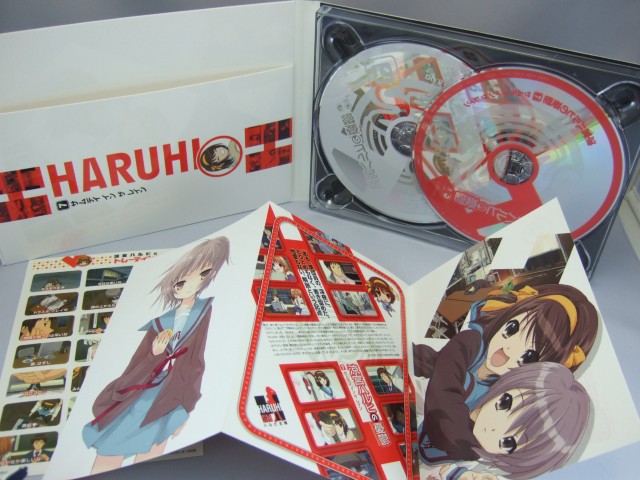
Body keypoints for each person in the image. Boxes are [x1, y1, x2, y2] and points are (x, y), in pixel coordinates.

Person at [82, 237, 230, 474]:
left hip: (170, 395)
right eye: (182, 281)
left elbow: (196, 361)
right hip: (142, 392)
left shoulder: (205, 311)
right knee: (110, 452)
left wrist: (186, 407)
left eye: (203, 274)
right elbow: (135, 364)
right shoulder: (160, 322)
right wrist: (154, 355)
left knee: (152, 454)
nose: (191, 284)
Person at [418, 362, 590, 480]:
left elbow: (439, 469)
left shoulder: (475, 461)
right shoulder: (463, 391)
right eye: (504, 403)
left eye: (508, 442)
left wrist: (458, 474)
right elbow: (417, 393)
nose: (493, 428)